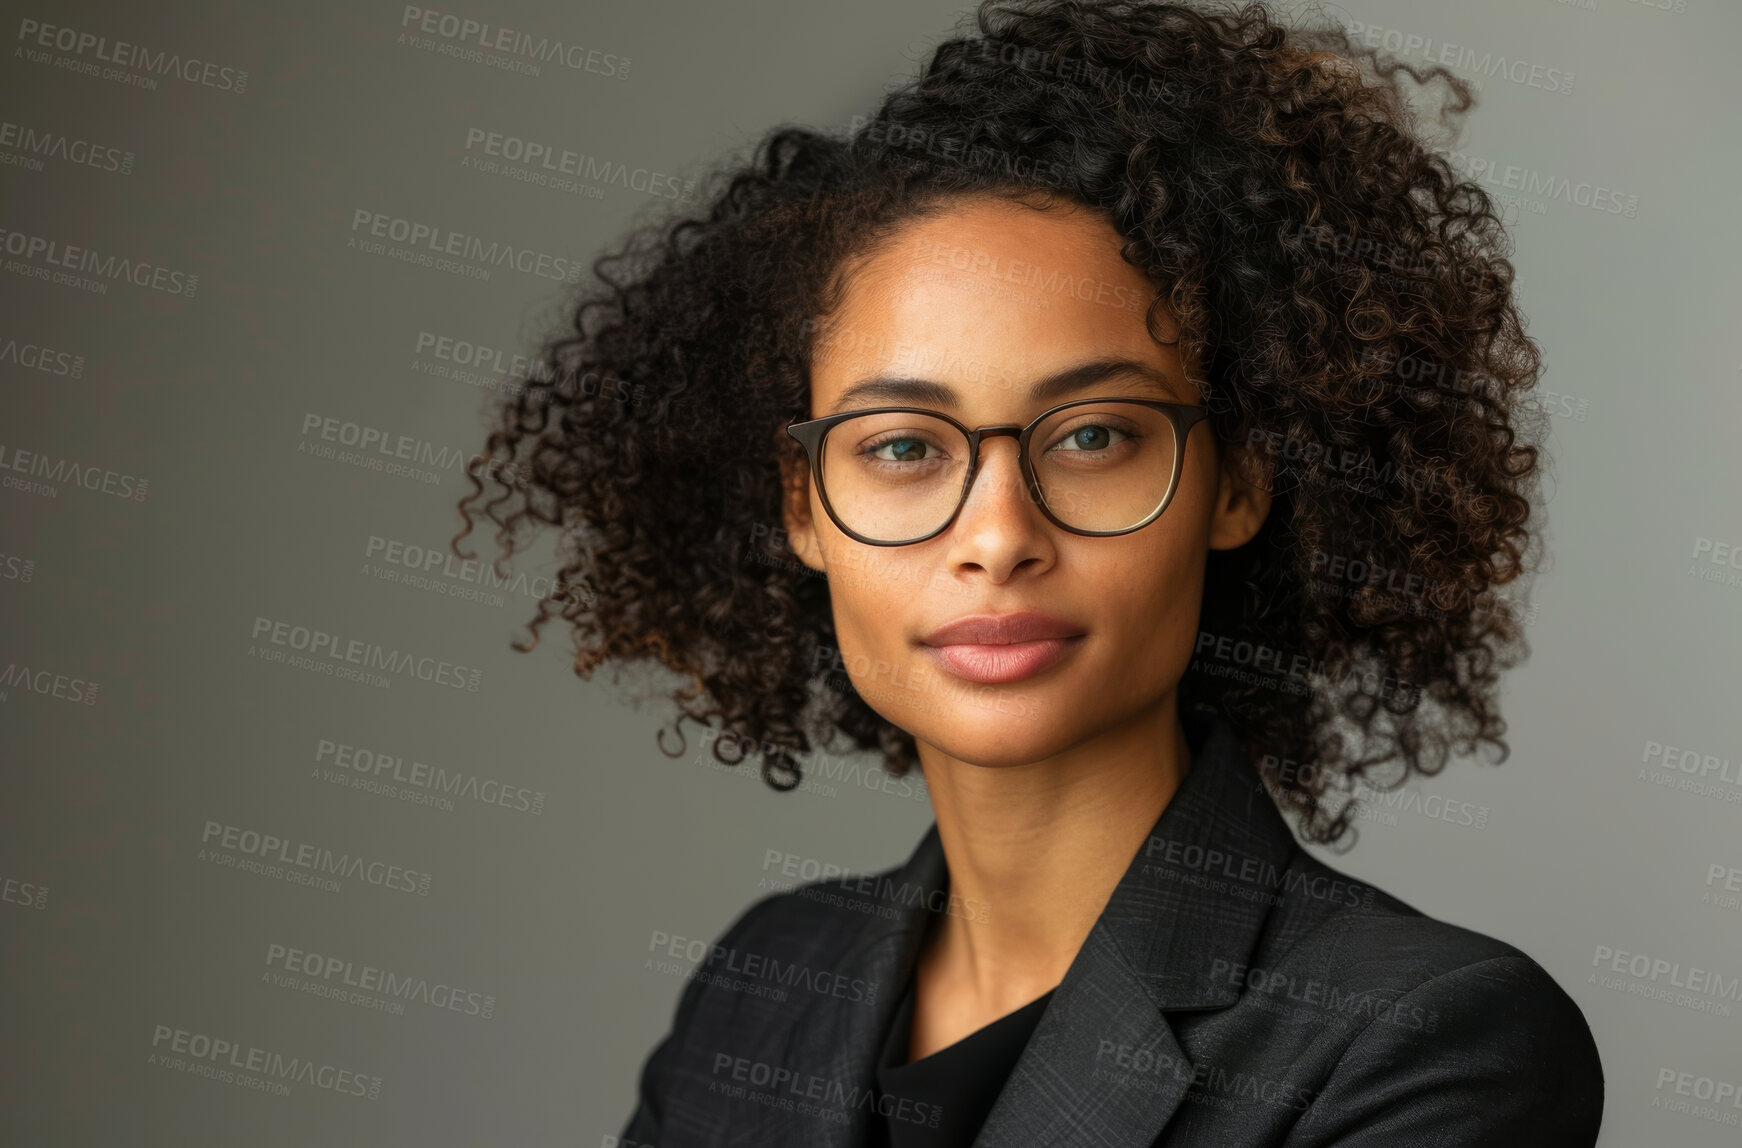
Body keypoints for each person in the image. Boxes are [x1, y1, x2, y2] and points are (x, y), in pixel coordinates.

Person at [454, 1, 1604, 1144]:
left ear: (1236, 483)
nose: (996, 534)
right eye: (901, 447)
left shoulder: (1424, 1038)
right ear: (802, 506)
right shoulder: (761, 986)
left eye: (1094, 434)